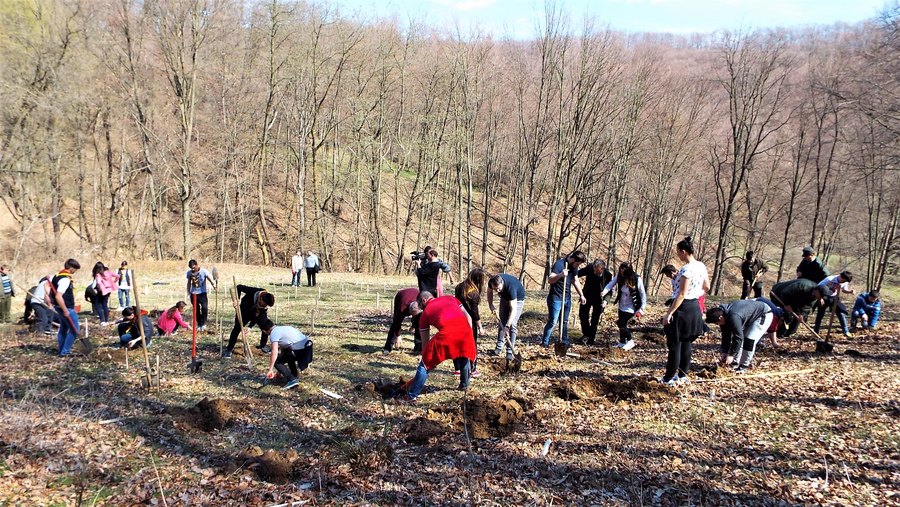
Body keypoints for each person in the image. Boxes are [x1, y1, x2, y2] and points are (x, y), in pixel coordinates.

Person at [400, 292, 477, 402]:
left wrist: (428, 360)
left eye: (420, 304)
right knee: (464, 355)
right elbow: (468, 316)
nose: (420, 307)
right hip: (466, 331)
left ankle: (412, 396)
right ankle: (464, 385)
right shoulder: (451, 298)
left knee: (424, 365)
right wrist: (468, 333)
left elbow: (425, 343)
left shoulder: (425, 314)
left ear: (424, 300)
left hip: (447, 334)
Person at [660, 237, 709, 387]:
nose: (677, 255)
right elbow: (707, 286)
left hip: (683, 308)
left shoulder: (686, 269)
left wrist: (669, 313)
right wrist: (697, 294)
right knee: (686, 342)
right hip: (695, 306)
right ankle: (682, 375)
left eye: (678, 252)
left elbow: (681, 293)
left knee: (675, 344)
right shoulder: (701, 266)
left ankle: (668, 378)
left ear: (684, 251)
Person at [706, 300, 773, 372]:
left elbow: (738, 337)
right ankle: (735, 362)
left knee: (749, 339)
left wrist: (731, 355)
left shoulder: (733, 316)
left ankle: (744, 365)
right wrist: (724, 351)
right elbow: (726, 335)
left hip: (763, 314)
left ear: (720, 318)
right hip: (749, 315)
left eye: (717, 323)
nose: (717, 325)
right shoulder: (722, 315)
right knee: (741, 338)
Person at [540, 251, 587, 347]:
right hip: (556, 298)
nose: (578, 266)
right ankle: (544, 342)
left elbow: (575, 281)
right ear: (573, 260)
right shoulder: (559, 264)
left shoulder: (574, 267)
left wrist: (581, 295)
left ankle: (564, 342)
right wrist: (560, 275)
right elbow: (550, 280)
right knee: (553, 321)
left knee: (564, 321)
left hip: (567, 298)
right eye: (577, 264)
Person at [600, 262, 647, 350]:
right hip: (622, 305)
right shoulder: (619, 276)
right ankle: (622, 342)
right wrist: (604, 292)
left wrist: (641, 309)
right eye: (620, 271)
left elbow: (642, 294)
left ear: (628, 272)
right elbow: (611, 284)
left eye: (623, 272)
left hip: (632, 306)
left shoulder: (636, 279)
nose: (621, 273)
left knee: (620, 323)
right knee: (622, 324)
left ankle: (630, 341)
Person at [224, 285, 275, 358]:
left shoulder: (265, 305)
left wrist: (250, 327)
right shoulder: (254, 292)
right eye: (264, 304)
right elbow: (239, 287)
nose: (265, 306)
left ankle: (263, 345)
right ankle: (229, 349)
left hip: (257, 313)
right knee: (237, 329)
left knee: (265, 325)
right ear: (261, 298)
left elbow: (257, 316)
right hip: (244, 311)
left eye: (266, 305)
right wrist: (237, 300)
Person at [261, 320, 313, 391]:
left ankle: (291, 380)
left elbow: (274, 351)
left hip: (299, 350)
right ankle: (294, 375)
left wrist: (270, 369)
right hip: (307, 348)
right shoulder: (283, 328)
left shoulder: (273, 334)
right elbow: (284, 352)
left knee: (276, 361)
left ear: (264, 331)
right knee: (288, 355)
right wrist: (280, 371)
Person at [455, 268, 487, 374]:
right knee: (471, 345)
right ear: (479, 280)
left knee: (458, 344)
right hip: (469, 323)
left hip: (458, 319)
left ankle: (458, 368)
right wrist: (480, 327)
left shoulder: (459, 287)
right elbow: (475, 313)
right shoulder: (473, 293)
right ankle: (472, 369)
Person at [487, 273, 526, 360]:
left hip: (517, 299)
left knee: (512, 324)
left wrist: (507, 326)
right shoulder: (491, 281)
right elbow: (489, 291)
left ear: (502, 283)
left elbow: (513, 310)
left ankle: (509, 351)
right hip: (504, 297)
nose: (497, 291)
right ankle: (499, 347)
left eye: (499, 288)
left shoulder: (511, 288)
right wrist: (490, 305)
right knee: (502, 320)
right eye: (495, 289)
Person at [49, 259, 81, 356]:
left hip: (59, 307)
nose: (75, 271)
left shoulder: (57, 275)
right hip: (66, 308)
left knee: (63, 328)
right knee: (75, 330)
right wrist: (65, 310)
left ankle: (61, 350)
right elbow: (58, 296)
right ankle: (65, 351)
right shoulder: (65, 280)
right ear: (71, 268)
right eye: (75, 269)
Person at [577, 259, 613, 345]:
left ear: (602, 269)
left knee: (595, 320)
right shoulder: (590, 268)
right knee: (582, 315)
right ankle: (586, 334)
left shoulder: (608, 275)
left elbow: (609, 290)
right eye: (594, 270)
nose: (595, 272)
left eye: (597, 272)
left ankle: (591, 339)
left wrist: (606, 301)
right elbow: (577, 273)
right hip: (587, 296)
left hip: (599, 299)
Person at [813, 270, 855, 337]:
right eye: (843, 280)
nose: (844, 282)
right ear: (840, 276)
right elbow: (817, 288)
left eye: (845, 281)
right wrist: (820, 298)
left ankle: (846, 331)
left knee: (841, 312)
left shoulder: (845, 282)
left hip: (834, 297)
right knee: (820, 314)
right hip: (824, 297)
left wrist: (850, 291)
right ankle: (816, 331)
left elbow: (844, 290)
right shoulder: (829, 279)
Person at [383, 287, 422, 353]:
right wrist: (398, 335)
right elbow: (397, 323)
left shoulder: (421, 302)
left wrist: (413, 325)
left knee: (419, 324)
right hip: (401, 296)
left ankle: (418, 349)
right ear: (409, 312)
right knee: (395, 324)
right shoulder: (402, 309)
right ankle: (387, 348)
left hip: (415, 292)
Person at [185, 259, 216, 331]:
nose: (193, 269)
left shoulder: (203, 271)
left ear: (197, 265)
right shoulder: (189, 273)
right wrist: (188, 293)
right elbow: (189, 283)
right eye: (191, 268)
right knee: (196, 309)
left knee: (204, 308)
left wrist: (213, 285)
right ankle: (199, 324)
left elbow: (209, 278)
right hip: (194, 293)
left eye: (193, 267)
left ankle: (203, 323)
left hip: (202, 293)